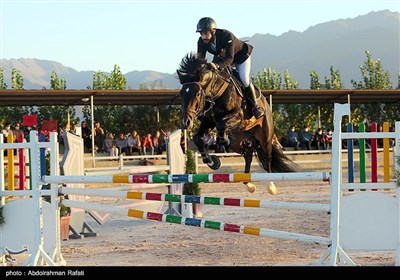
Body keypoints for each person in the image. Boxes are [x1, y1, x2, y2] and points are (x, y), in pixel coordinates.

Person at [195, 17, 264, 119]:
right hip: (222, 57)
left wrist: (217, 65)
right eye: (201, 33)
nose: (203, 36)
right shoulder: (201, 41)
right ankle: (206, 109)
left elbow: (230, 58)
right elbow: (200, 59)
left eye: (205, 33)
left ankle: (255, 106)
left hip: (241, 56)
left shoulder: (226, 35)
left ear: (213, 31)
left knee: (244, 78)